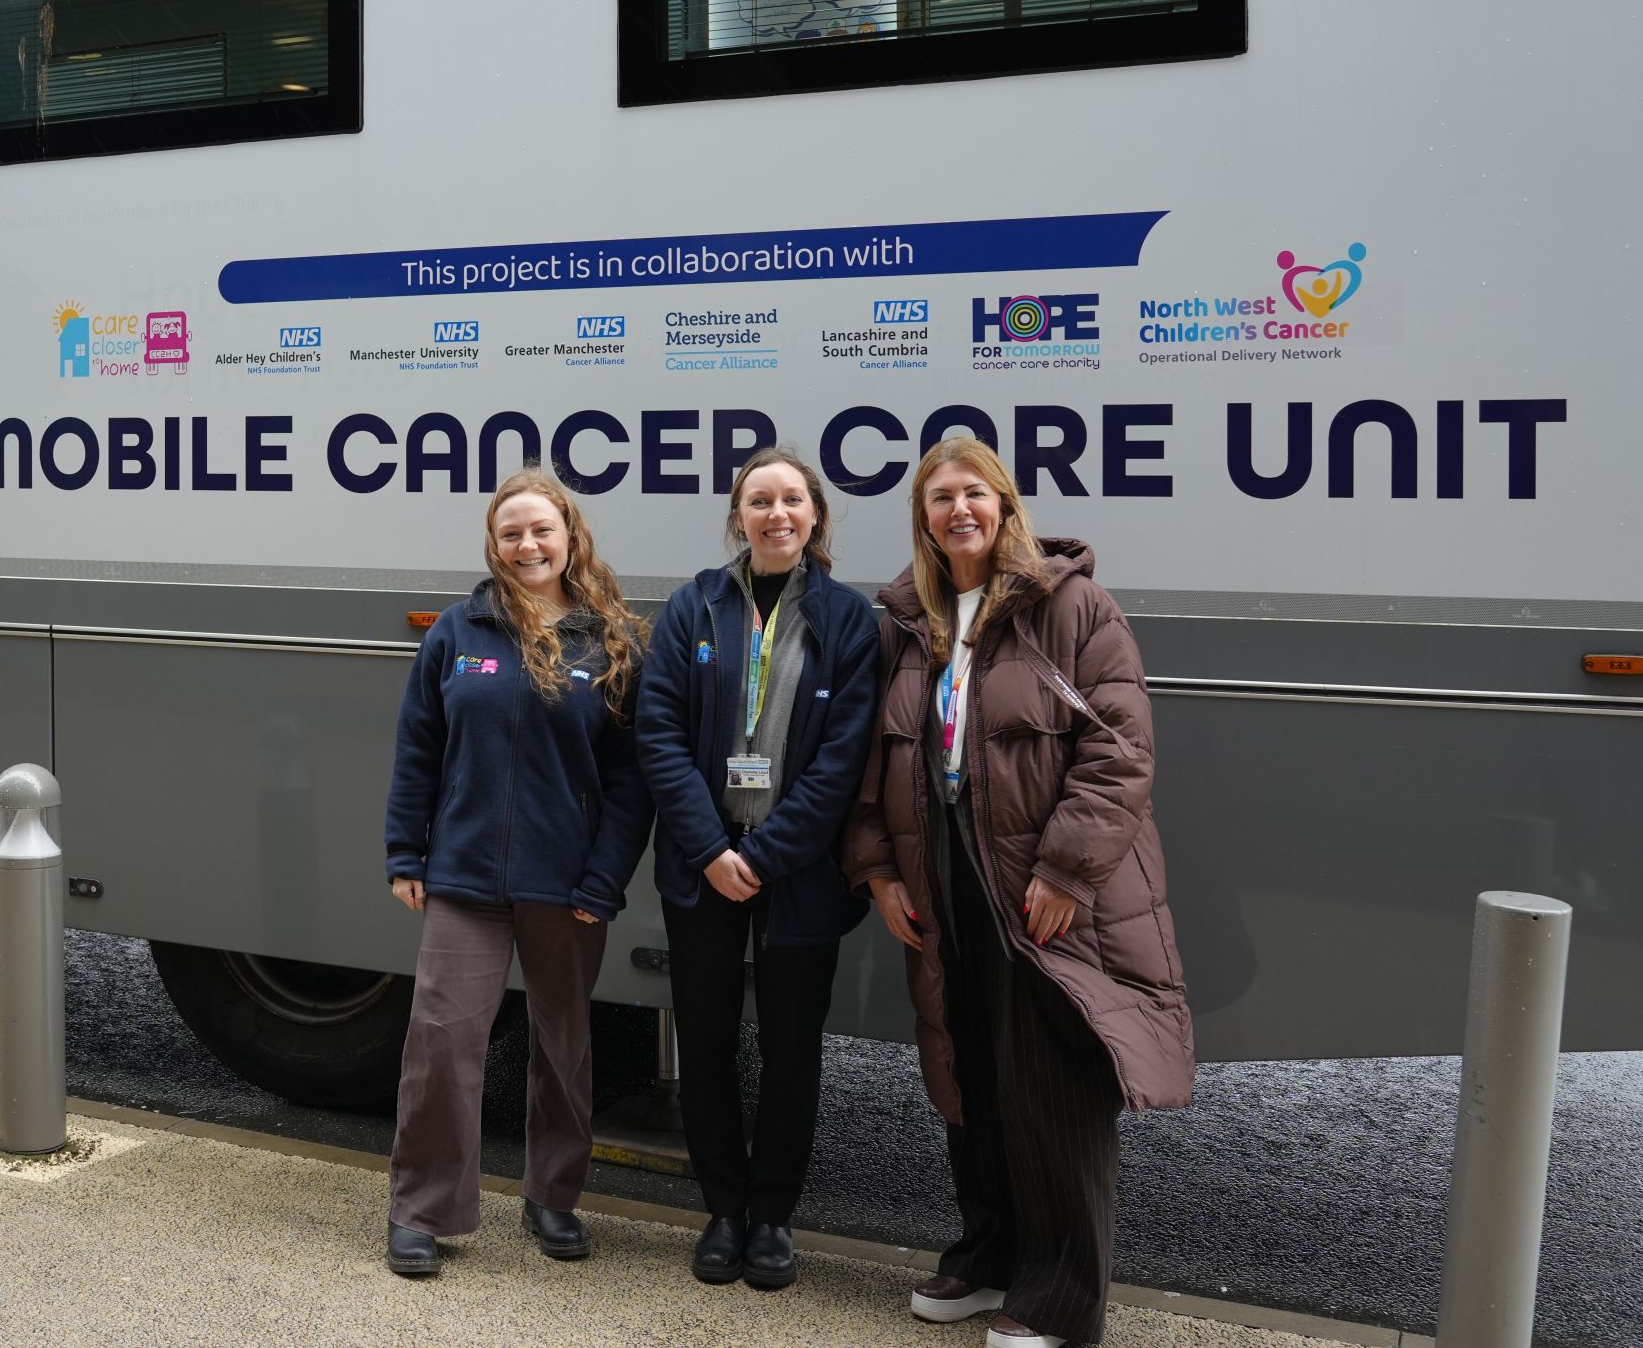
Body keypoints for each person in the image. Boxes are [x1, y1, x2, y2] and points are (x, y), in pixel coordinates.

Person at [842, 436, 1192, 1348]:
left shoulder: (1072, 607)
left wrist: (1066, 870)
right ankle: (989, 1249)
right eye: (939, 497)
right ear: (922, 515)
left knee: (1051, 1081)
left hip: (1040, 884)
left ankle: (1064, 1295)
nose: (957, 509)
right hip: (942, 875)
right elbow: (870, 759)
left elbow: (1119, 746)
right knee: (974, 1066)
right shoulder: (909, 620)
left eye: (974, 493)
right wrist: (879, 868)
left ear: (1004, 504)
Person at [382, 468, 652, 1277]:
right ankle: (424, 1211)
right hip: (463, 875)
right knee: (441, 1040)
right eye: (511, 533)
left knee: (562, 1044)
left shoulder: (611, 640)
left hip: (567, 885)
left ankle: (553, 1195)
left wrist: (604, 878)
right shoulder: (459, 632)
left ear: (570, 536)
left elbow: (633, 780)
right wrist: (405, 850)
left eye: (542, 529)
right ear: (493, 545)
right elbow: (417, 745)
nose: (527, 544)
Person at [635, 446, 881, 1290]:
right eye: (758, 500)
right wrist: (710, 849)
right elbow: (657, 732)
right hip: (703, 865)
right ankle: (724, 1209)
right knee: (705, 1041)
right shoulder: (693, 605)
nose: (776, 514)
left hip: (797, 871)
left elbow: (845, 757)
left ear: (815, 516)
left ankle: (773, 1215)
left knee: (791, 1049)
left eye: (792, 500)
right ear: (737, 516)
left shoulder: (849, 620)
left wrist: (767, 854)